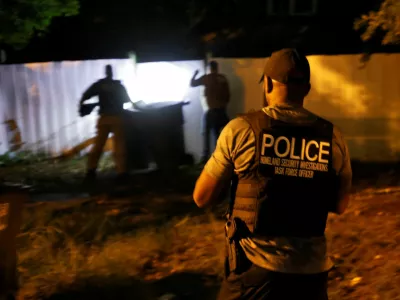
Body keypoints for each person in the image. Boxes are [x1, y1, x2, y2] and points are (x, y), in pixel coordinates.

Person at [193, 48, 352, 299]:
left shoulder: (241, 129)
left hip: (255, 275)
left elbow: (202, 197)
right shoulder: (333, 137)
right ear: (307, 89)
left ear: (267, 83)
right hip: (312, 275)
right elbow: (340, 204)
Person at [79, 64, 132, 182]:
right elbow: (126, 101)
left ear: (105, 72)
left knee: (98, 145)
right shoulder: (118, 86)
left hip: (104, 118)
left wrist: (82, 106)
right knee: (119, 145)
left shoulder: (99, 85)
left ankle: (91, 171)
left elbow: (85, 95)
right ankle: (122, 172)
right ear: (112, 73)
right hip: (117, 118)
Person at [190, 61, 230, 164]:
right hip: (222, 111)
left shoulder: (207, 78)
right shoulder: (223, 78)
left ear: (209, 68)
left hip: (211, 111)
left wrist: (195, 74)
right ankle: (220, 159)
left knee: (206, 133)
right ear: (217, 68)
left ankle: (205, 157)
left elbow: (192, 84)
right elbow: (228, 95)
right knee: (218, 135)